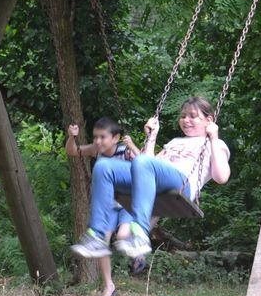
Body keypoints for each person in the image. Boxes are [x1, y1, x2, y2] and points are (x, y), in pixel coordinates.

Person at [69, 96, 231, 265]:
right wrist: (152, 137)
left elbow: (221, 177)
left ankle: (139, 233)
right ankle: (98, 235)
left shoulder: (215, 144)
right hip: (155, 180)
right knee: (104, 167)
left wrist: (213, 137)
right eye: (183, 116)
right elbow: (147, 165)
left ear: (209, 120)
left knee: (141, 162)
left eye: (192, 116)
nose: (186, 120)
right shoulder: (175, 142)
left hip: (182, 184)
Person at [64, 117, 140, 296]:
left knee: (123, 235)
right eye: (95, 137)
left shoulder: (125, 150)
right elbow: (73, 151)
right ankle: (108, 286)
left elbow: (145, 166)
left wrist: (134, 148)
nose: (98, 141)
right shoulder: (96, 150)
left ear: (115, 138)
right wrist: (71, 137)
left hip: (127, 203)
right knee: (101, 243)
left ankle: (137, 252)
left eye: (102, 137)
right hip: (107, 206)